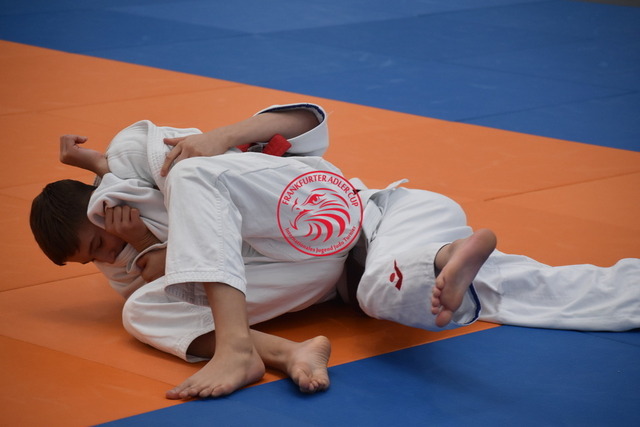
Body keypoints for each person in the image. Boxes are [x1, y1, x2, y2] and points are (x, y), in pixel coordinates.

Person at [31, 103, 640, 400]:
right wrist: (139, 245)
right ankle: (441, 265)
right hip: (341, 276)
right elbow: (182, 279)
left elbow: (304, 119)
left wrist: (218, 138)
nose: (103, 256)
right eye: (91, 260)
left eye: (97, 241)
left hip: (368, 214)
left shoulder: (152, 163)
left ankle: (240, 349)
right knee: (141, 311)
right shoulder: (122, 260)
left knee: (192, 173)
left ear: (99, 201)